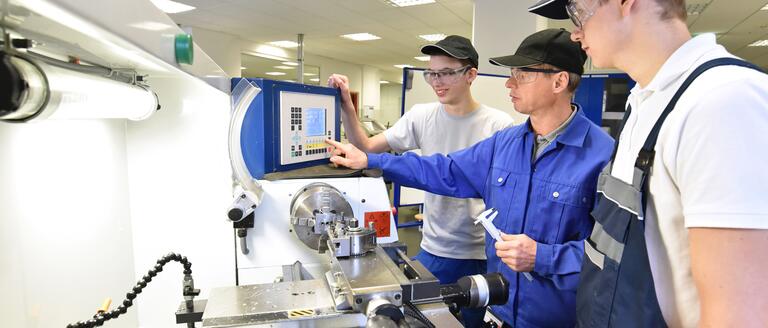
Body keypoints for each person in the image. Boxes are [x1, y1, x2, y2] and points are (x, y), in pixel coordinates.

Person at [326, 29, 614, 328]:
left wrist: (544, 256)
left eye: (522, 74)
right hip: (500, 308)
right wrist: (370, 160)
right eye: (511, 73)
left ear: (559, 81)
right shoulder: (506, 143)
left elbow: (614, 257)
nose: (509, 83)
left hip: (557, 319)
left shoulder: (603, 156)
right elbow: (442, 170)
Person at [528, 0, 768, 327]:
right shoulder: (644, 101)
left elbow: (739, 317)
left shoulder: (723, 101)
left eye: (578, 12)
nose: (575, 33)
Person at [327, 35, 513, 327]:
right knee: (420, 321)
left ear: (471, 75)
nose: (437, 81)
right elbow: (366, 148)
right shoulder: (421, 116)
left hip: (480, 253)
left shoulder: (499, 125)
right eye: (431, 73)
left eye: (446, 73)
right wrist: (347, 106)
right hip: (434, 250)